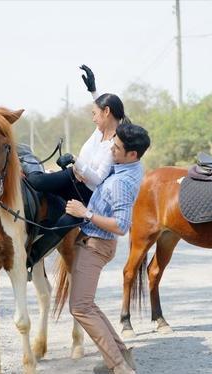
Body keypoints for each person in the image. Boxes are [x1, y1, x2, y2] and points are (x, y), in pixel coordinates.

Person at [26, 65, 130, 269]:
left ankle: (29, 259)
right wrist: (93, 90)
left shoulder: (116, 143)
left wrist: (75, 160)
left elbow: (98, 179)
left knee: (64, 224)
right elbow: (104, 107)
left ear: (106, 113)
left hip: (85, 194)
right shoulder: (100, 131)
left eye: (95, 114)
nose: (93, 118)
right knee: (36, 180)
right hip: (71, 177)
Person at [65, 123, 150, 374]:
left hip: (96, 245)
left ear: (132, 154)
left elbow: (122, 226)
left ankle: (120, 367)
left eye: (117, 147)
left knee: (80, 307)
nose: (111, 149)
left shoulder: (122, 183)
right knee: (87, 303)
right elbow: (111, 120)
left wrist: (86, 213)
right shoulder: (129, 165)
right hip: (94, 242)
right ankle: (121, 355)